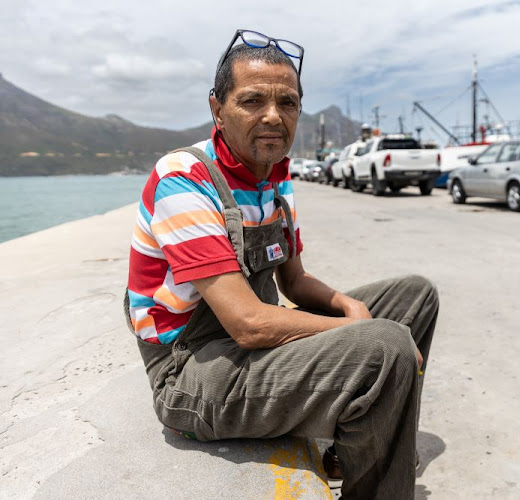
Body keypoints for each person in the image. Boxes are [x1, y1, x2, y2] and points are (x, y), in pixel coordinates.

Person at [125, 29, 439, 500]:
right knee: (384, 344)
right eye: (252, 101)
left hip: (247, 343)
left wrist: (350, 305)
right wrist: (357, 328)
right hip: (192, 371)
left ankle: (353, 449)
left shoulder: (275, 173)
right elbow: (248, 324)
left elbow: (294, 281)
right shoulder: (184, 180)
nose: (273, 116)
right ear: (217, 109)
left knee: (415, 294)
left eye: (287, 103)